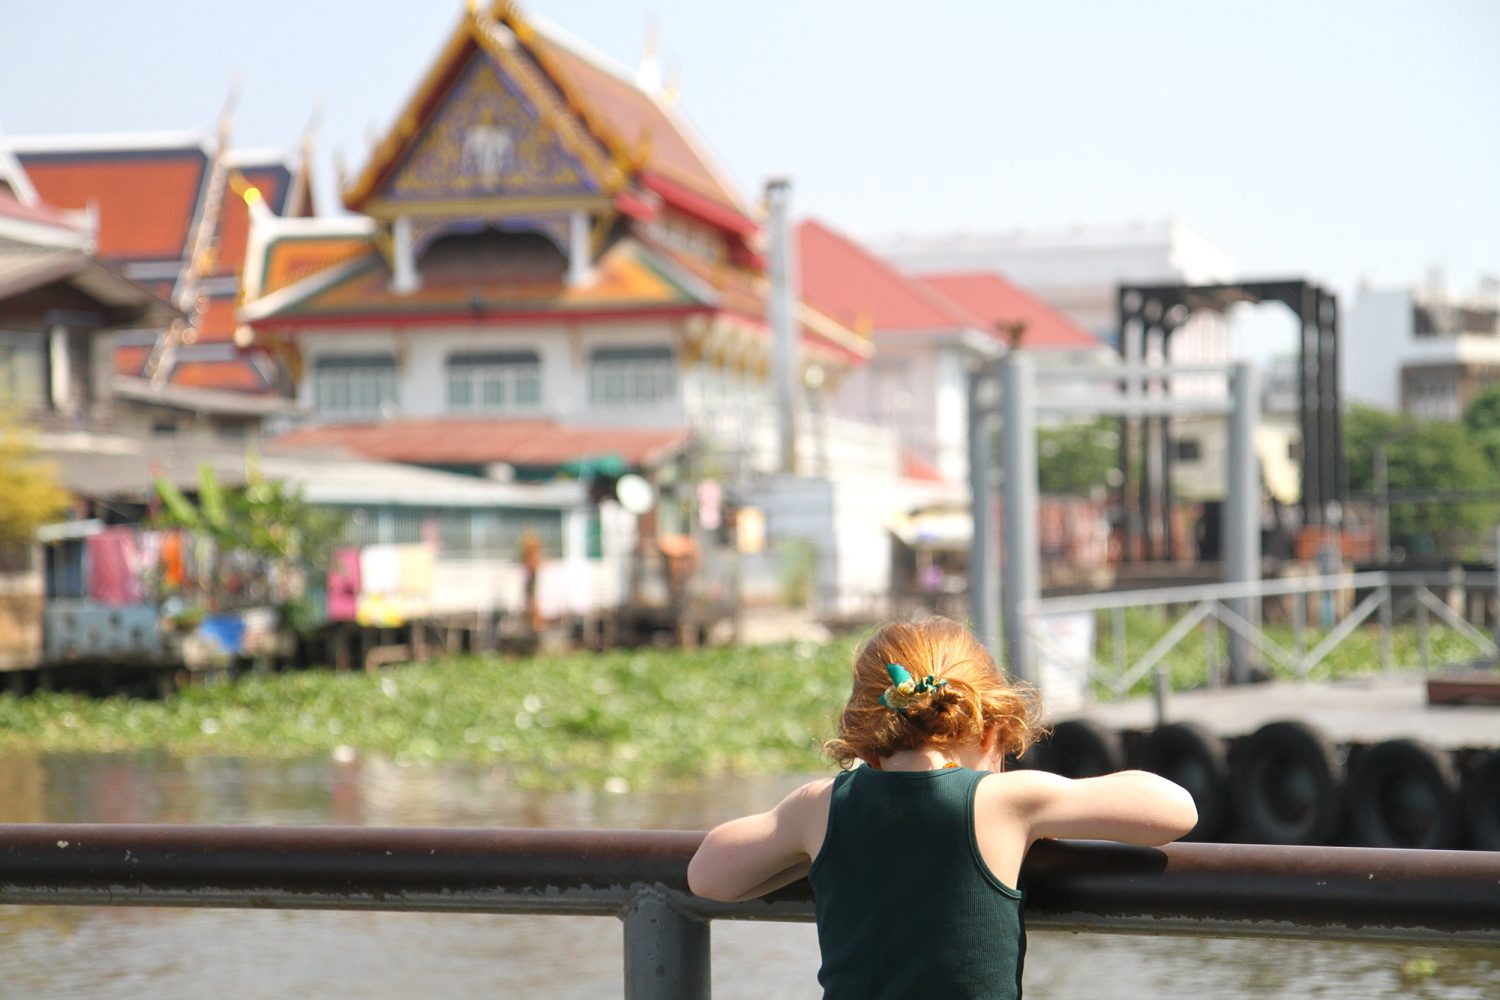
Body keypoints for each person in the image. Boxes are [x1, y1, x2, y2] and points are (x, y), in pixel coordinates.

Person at [687, 616, 1197, 1000]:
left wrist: (810, 853)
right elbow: (1176, 810)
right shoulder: (1006, 800)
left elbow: (709, 876)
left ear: (866, 743)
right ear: (993, 730)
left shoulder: (820, 806)